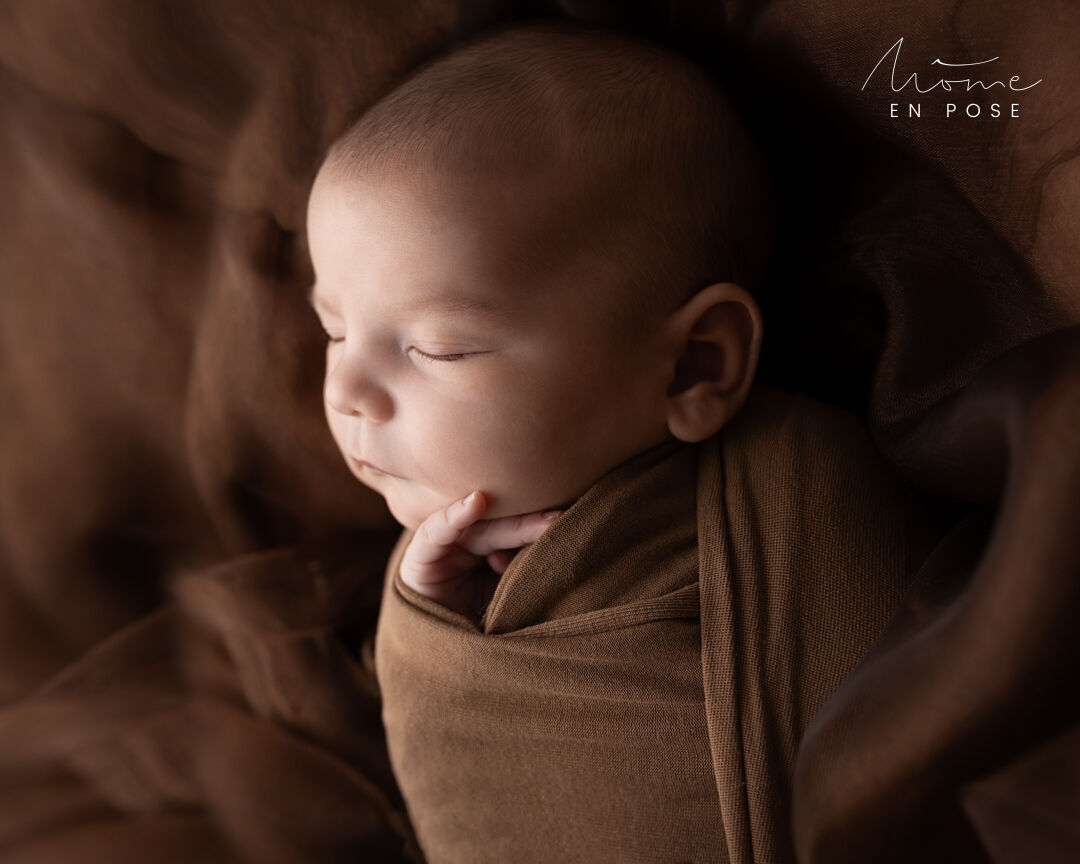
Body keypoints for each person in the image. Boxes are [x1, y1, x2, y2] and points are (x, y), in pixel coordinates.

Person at [306, 18, 926, 864]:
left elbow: (902, 745)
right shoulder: (445, 578)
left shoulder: (795, 495)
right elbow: (450, 761)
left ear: (692, 367)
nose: (345, 392)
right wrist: (425, 618)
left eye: (439, 347)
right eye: (334, 331)